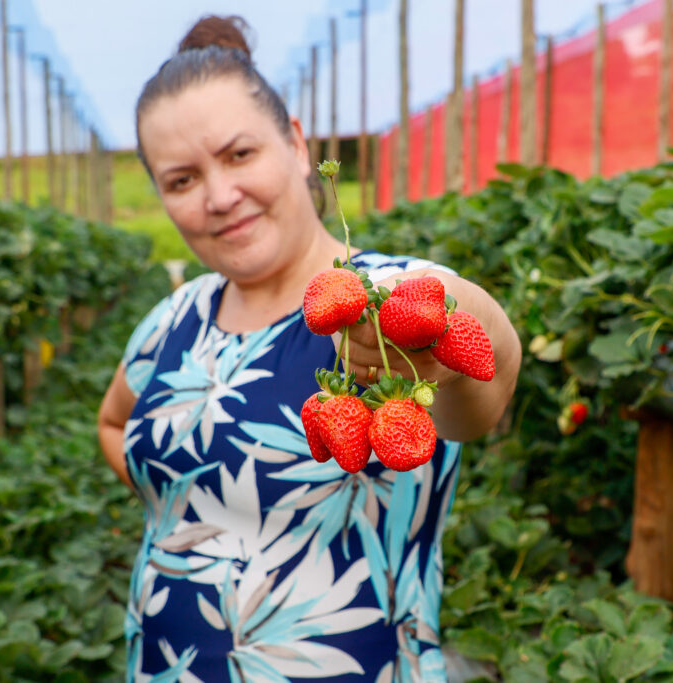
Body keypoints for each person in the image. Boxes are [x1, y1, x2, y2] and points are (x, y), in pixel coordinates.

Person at [97, 15, 521, 682]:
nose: (219, 196)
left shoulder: (378, 305)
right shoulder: (173, 317)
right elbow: (113, 420)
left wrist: (441, 317)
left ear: (296, 145)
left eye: (240, 155)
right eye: (181, 180)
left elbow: (481, 392)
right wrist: (193, 510)